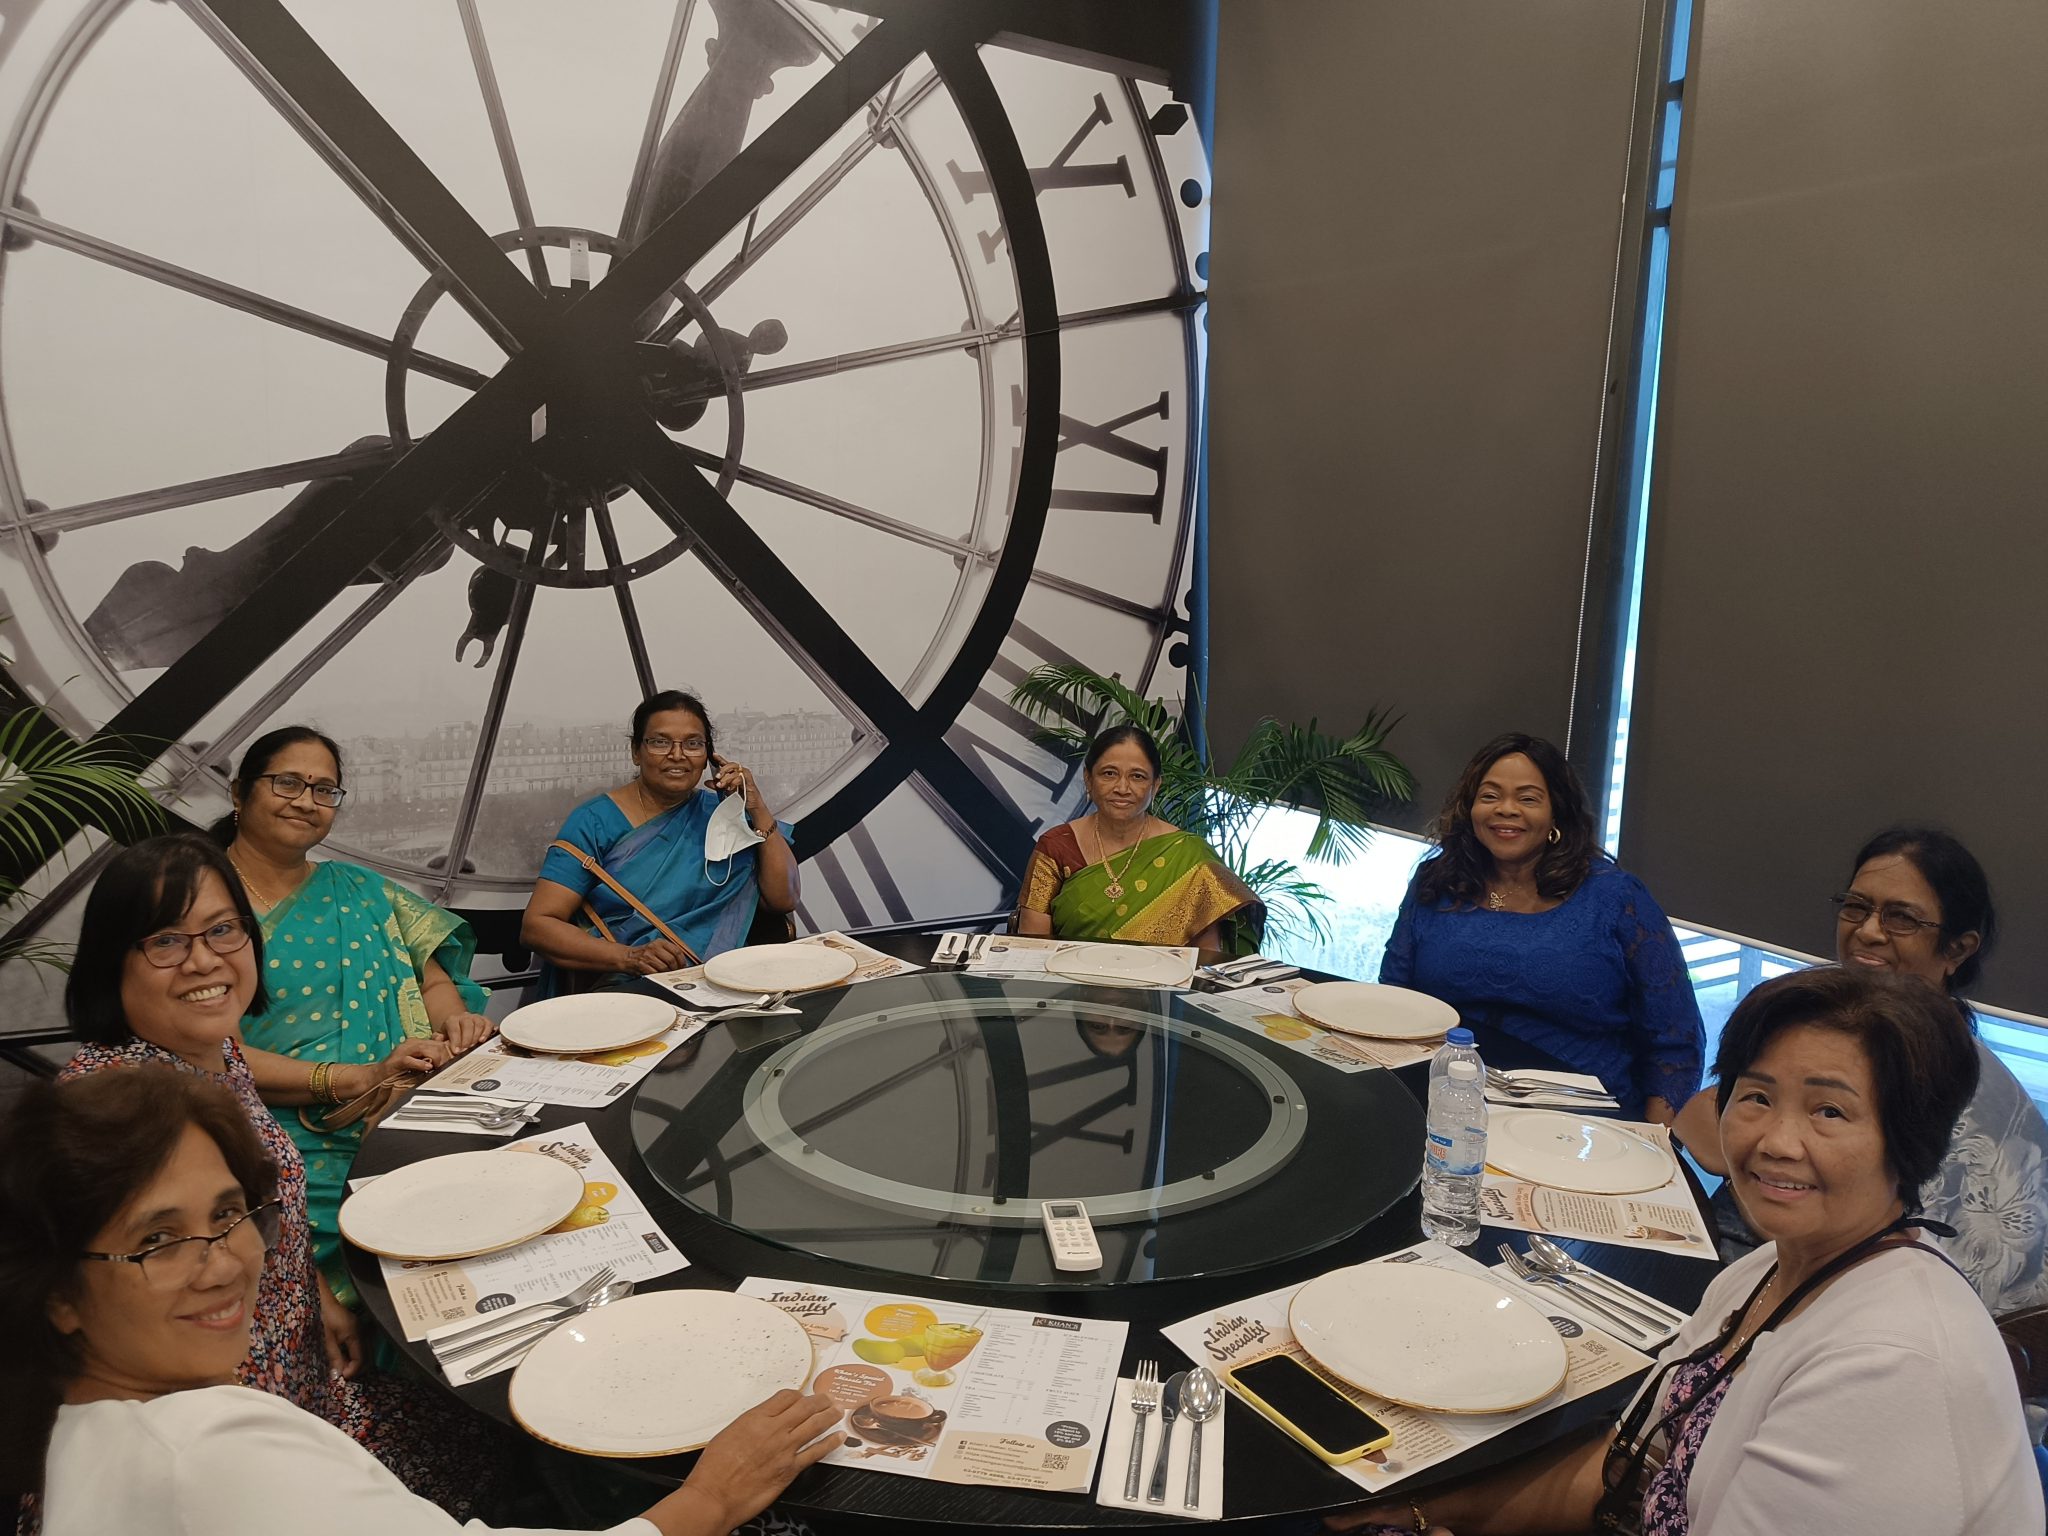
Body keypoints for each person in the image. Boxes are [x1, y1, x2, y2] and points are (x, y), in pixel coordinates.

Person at [1330, 967, 2042, 1534]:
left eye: (1830, 1111)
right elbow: (1626, 1469)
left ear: (1909, 1139)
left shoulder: (1891, 1371)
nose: (1776, 1141)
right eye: (1756, 1096)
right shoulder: (1769, 1270)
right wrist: (1423, 1511)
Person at [0, 1070, 839, 1536]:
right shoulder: (203, 1451)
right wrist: (709, 1501)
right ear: (58, 1293)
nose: (221, 1264)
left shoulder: (85, 1435)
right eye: (157, 1240)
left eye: (228, 1215)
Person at [59, 834, 497, 1515]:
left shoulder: (214, 1056)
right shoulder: (118, 1112)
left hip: (295, 1372)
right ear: (111, 960)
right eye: (166, 941)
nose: (204, 959)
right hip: (224, 1435)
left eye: (222, 929)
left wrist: (316, 1299)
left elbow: (259, 1210)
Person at [1674, 827, 2048, 1315]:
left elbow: (1888, 1259)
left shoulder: (1950, 1082)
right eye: (1856, 907)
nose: (1868, 931)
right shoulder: (1837, 1029)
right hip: (1758, 1267)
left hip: (1842, 1306)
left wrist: (1751, 1170)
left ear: (1957, 950)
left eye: (1902, 918)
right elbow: (1698, 1116)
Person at [215, 726, 495, 1302]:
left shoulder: (361, 890)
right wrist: (356, 1080)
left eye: (324, 790)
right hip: (270, 1137)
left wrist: (453, 1022)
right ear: (240, 792)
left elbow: (430, 977)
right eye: (288, 783)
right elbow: (208, 1052)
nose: (306, 801)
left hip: (401, 1107)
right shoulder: (201, 904)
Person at [1378, 733, 1702, 1123]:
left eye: (1528, 799)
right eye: (1490, 795)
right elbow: (1394, 996)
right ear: (1470, 808)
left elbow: (1676, 1044)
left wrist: (1652, 1144)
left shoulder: (1616, 897)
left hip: (1581, 1125)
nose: (1506, 809)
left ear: (1556, 814)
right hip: (1444, 1104)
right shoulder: (1437, 881)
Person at [522, 691, 798, 995]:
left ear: (709, 757)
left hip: (725, 986)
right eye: (660, 742)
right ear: (636, 752)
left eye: (693, 744)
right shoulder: (594, 821)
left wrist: (757, 808)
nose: (677, 755)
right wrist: (630, 957)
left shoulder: (724, 814)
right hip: (629, 991)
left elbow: (783, 899)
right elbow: (538, 926)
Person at [1016, 723, 1262, 955]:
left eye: (1138, 777)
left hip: (1163, 984)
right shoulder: (1056, 847)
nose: (1122, 788)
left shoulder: (1189, 855)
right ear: (1088, 779)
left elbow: (1206, 957)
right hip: (1069, 982)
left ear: (1155, 786)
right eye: (1109, 773)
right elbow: (1032, 948)